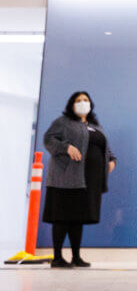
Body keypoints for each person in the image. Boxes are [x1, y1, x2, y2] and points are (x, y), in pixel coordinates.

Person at [41, 91, 116, 268]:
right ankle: (57, 258)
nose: (83, 103)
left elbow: (105, 147)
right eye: (79, 100)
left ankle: (76, 256)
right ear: (71, 105)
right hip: (66, 178)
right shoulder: (63, 123)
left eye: (86, 100)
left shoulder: (96, 126)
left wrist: (111, 160)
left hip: (88, 181)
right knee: (62, 217)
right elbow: (48, 139)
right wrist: (66, 147)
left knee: (77, 218)